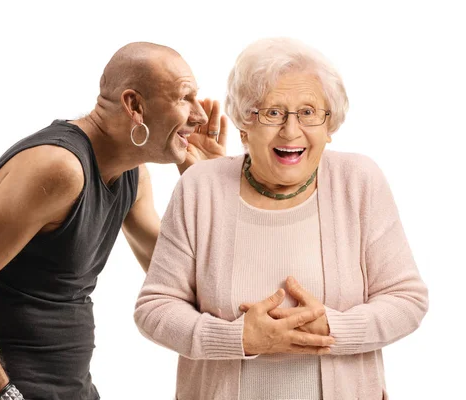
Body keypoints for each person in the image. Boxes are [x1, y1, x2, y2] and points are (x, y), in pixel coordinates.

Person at [0, 42, 228, 400]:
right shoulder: (59, 168)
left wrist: (205, 187)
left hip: (74, 388)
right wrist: (2, 395)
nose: (200, 116)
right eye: (184, 97)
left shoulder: (132, 175)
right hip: (11, 391)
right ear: (135, 106)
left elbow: (181, 281)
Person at [134, 37, 428, 400]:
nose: (291, 131)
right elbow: (155, 309)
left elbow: (407, 300)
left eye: (308, 112)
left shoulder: (359, 181)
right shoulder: (200, 187)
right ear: (244, 124)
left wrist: (331, 327)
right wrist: (238, 337)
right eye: (273, 113)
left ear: (329, 125)